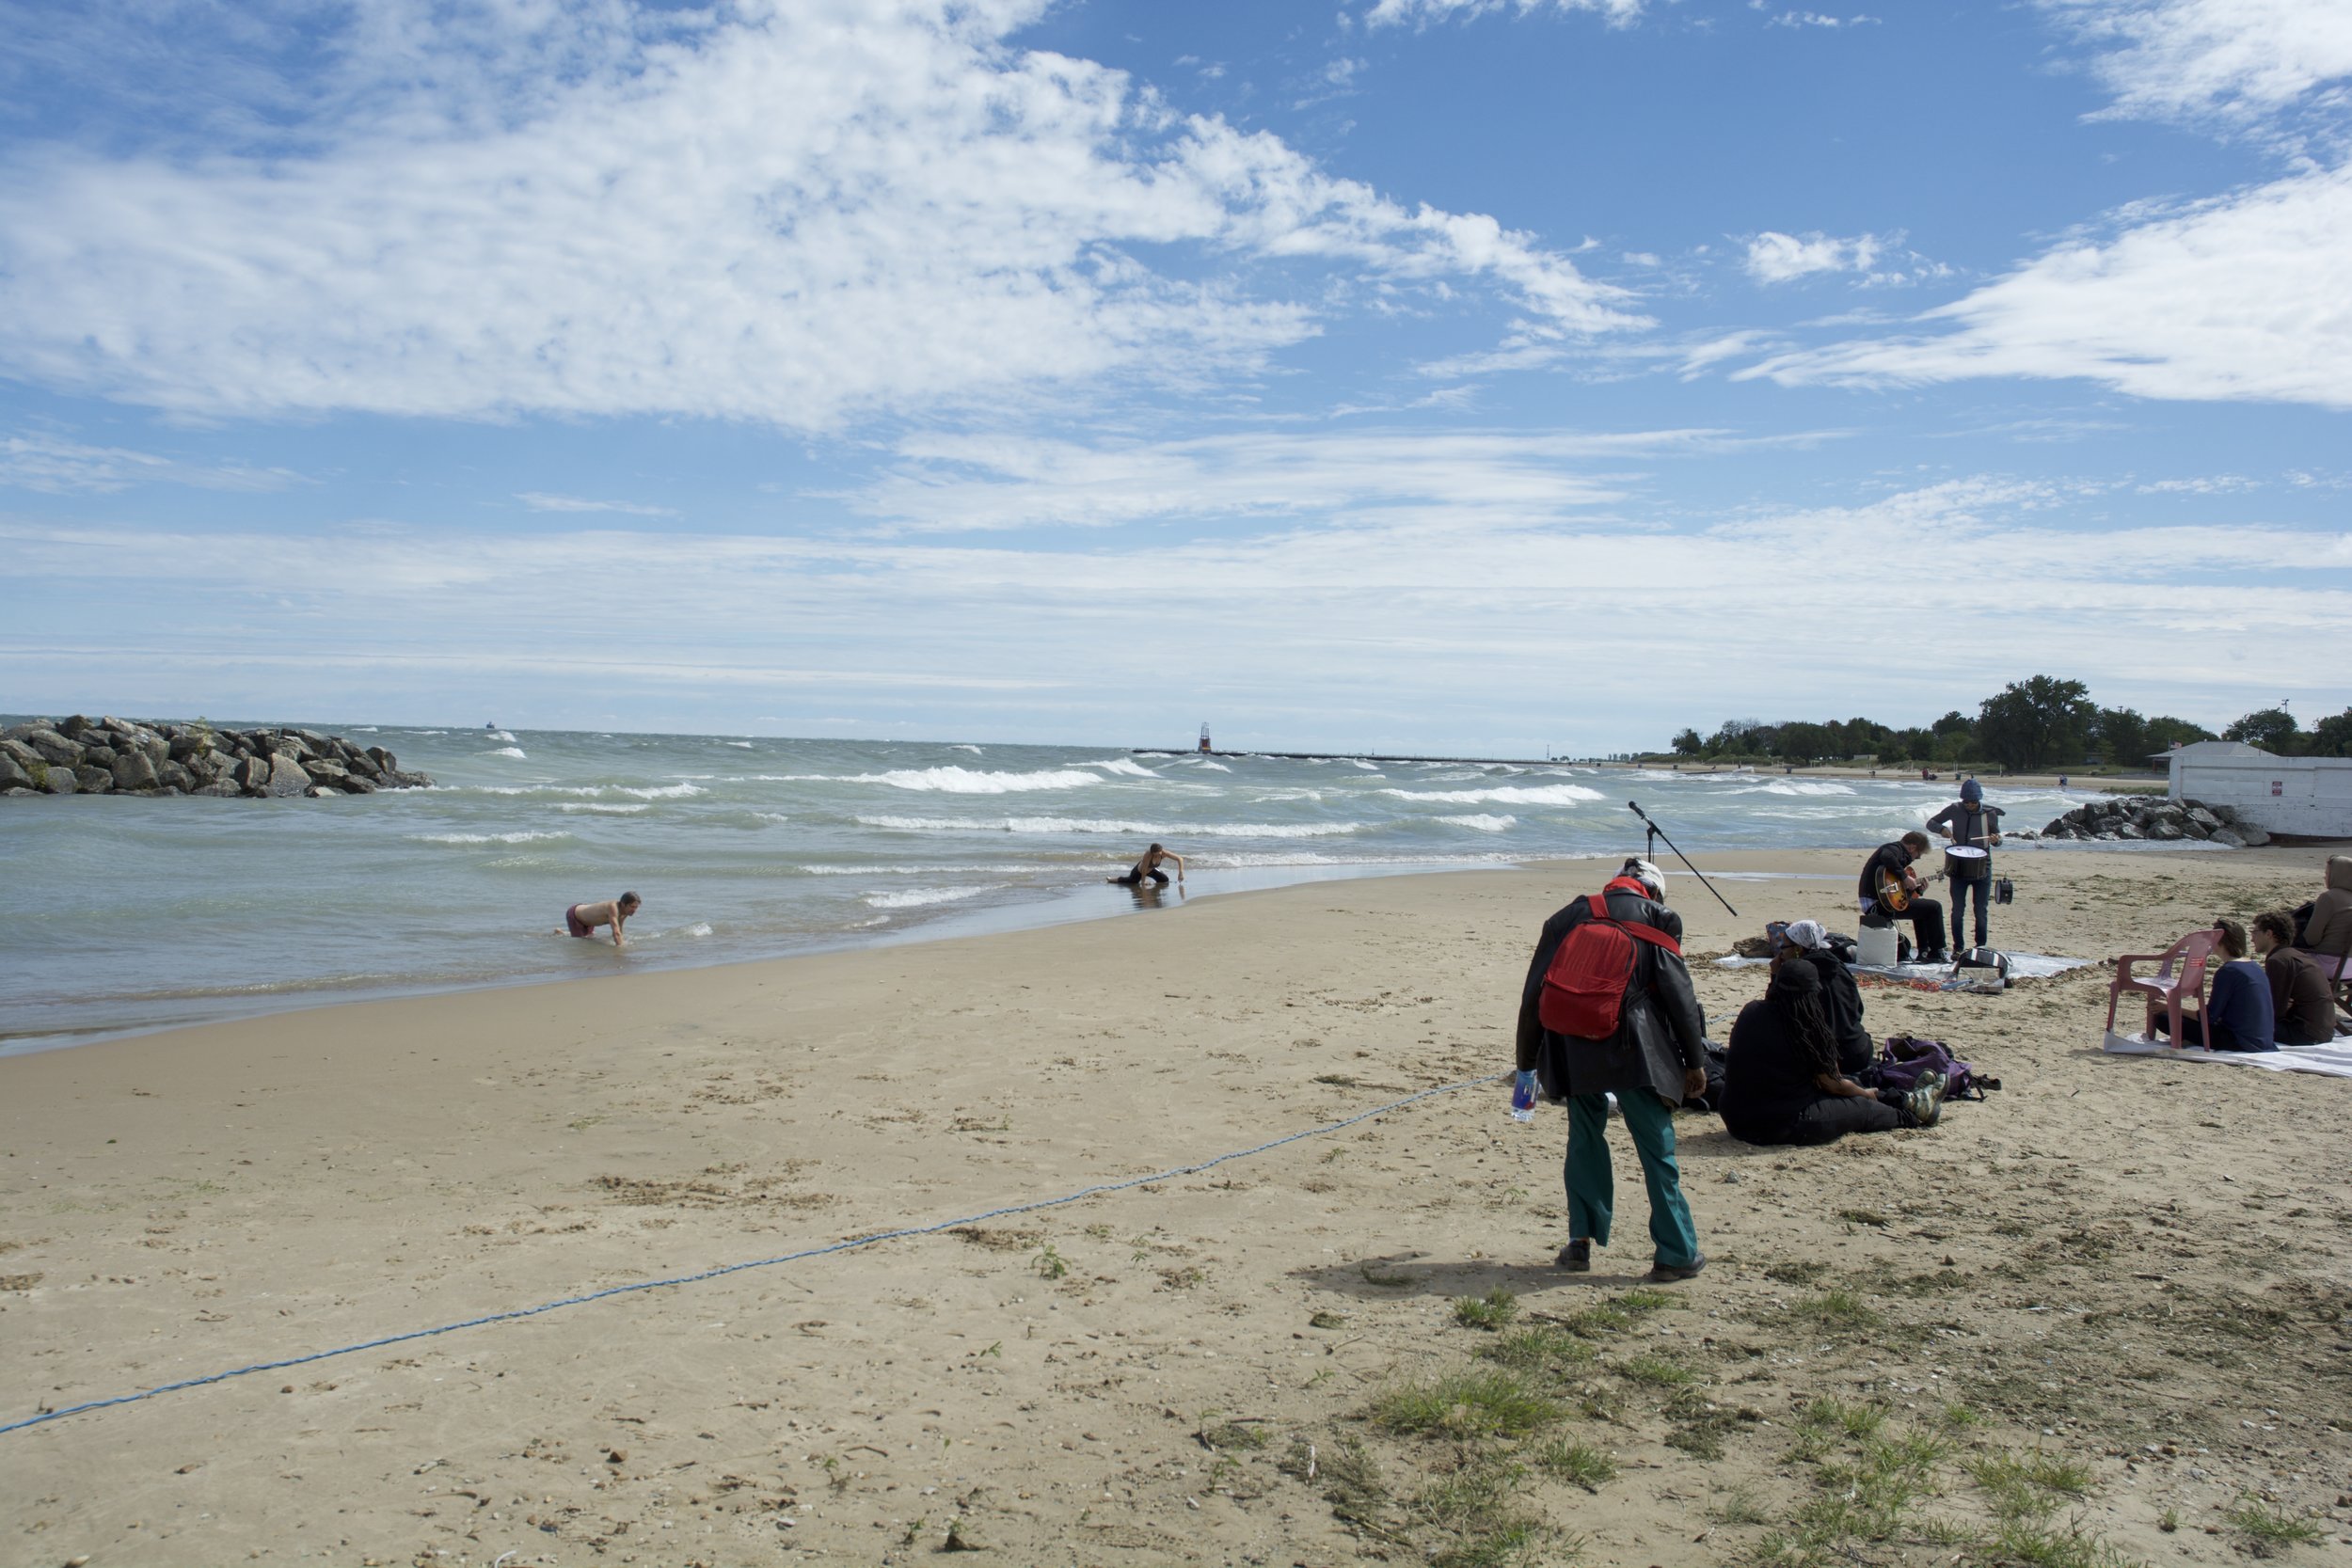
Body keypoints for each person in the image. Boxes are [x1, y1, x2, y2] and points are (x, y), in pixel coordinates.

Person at [1513, 858, 1708, 1283]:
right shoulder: (1658, 918)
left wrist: (1526, 1069)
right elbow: (1680, 997)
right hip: (1636, 1052)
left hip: (1572, 1048)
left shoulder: (1567, 917)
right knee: (1657, 1150)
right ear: (1652, 892)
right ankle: (1676, 1252)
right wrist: (1695, 1062)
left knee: (1584, 1141)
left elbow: (1533, 996)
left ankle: (1579, 1243)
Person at [1718, 954, 1947, 1145]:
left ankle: (1909, 1099)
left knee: (1851, 1087)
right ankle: (1912, 1111)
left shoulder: (1751, 1012)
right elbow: (1832, 1084)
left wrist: (1776, 973)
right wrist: (1868, 1095)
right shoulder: (1807, 1028)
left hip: (1736, 1117)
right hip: (1779, 1124)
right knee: (1861, 1107)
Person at [2151, 918, 2273, 1051]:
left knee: (2163, 1018)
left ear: (2218, 942)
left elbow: (2209, 1016)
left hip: (2240, 1041)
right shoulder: (2254, 966)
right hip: (2264, 1039)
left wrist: (2169, 1008)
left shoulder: (2229, 971)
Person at [1772, 919, 1872, 1074]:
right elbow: (1858, 1008)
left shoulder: (1800, 977)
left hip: (1835, 1059)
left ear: (1798, 949)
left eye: (1784, 947)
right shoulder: (1837, 965)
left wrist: (1775, 975)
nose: (1781, 953)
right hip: (1861, 1048)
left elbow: (1775, 1011)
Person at [1926, 778, 2003, 952]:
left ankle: (1980, 948)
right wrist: (1942, 830)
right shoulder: (1954, 809)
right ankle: (1958, 948)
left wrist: (1996, 840)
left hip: (1983, 866)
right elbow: (1931, 823)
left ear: (1979, 800)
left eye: (1973, 802)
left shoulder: (1989, 813)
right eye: (1966, 802)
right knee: (1958, 910)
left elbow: (1998, 839)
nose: (1969, 805)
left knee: (1980, 910)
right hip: (1958, 866)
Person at [1857, 831, 1948, 963]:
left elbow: (1894, 892)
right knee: (1934, 907)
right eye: (1917, 855)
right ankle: (1937, 952)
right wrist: (1904, 877)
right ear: (1912, 847)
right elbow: (1887, 856)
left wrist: (1918, 890)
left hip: (1880, 901)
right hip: (1876, 904)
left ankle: (1924, 952)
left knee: (1923, 909)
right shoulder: (1894, 849)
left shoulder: (1894, 861)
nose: (1915, 859)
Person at [2254, 911, 2339, 1045]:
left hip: (2304, 1033)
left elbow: (2274, 1009)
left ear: (2269, 934)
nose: (2252, 938)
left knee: (2241, 1022)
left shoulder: (2278, 960)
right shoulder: (2295, 955)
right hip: (2324, 1031)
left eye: (2255, 932)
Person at [2296, 855, 2352, 959]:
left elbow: (2311, 938)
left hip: (2329, 960)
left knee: (2283, 953)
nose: (2324, 877)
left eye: (2327, 873)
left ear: (2337, 875)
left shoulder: (2329, 897)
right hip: (2349, 966)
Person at [561, 892, 640, 947]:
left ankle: (561, 933)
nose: (634, 910)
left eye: (636, 907)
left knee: (589, 938)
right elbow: (616, 933)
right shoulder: (613, 907)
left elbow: (619, 931)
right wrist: (620, 951)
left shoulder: (625, 912)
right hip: (576, 915)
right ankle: (560, 933)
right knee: (582, 940)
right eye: (632, 907)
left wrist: (621, 942)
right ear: (623, 904)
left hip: (588, 919)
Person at [1109, 843, 1184, 887]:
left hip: (1151, 870)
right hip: (1140, 871)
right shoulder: (1148, 854)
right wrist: (1143, 881)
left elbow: (1180, 859)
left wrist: (1180, 873)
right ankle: (1111, 879)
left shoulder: (1165, 853)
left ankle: (1159, 873)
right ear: (1152, 852)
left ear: (1161, 851)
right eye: (1154, 855)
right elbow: (1144, 869)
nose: (1156, 856)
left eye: (1158, 854)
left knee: (1165, 880)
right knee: (1132, 882)